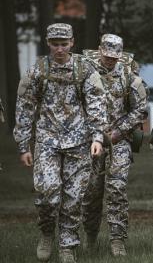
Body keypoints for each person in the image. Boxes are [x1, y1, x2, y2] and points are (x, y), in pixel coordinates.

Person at [13, 23, 107, 263]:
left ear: (72, 43)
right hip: (48, 142)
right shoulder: (38, 71)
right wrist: (24, 144)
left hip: (79, 142)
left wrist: (97, 137)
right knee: (48, 193)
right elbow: (25, 107)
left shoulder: (85, 70)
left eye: (64, 44)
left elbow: (96, 104)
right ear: (48, 43)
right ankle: (46, 232)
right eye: (55, 44)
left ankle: (68, 245)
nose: (59, 49)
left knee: (74, 198)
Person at [82, 34, 148, 256]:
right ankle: (90, 237)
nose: (110, 60)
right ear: (100, 50)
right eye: (107, 55)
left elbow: (140, 109)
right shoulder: (85, 72)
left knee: (117, 188)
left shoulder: (129, 75)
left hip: (120, 139)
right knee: (91, 191)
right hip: (91, 140)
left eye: (115, 57)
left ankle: (117, 240)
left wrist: (120, 131)